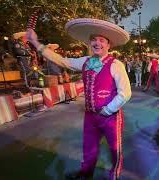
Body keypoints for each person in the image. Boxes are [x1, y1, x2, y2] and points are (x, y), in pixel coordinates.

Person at [26, 18, 131, 180]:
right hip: (90, 116)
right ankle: (85, 174)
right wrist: (35, 42)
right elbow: (61, 60)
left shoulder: (116, 64)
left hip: (110, 117)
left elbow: (125, 93)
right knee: (89, 149)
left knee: (115, 150)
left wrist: (109, 109)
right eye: (94, 40)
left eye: (102, 40)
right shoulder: (85, 61)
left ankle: (114, 176)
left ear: (109, 45)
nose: (97, 43)